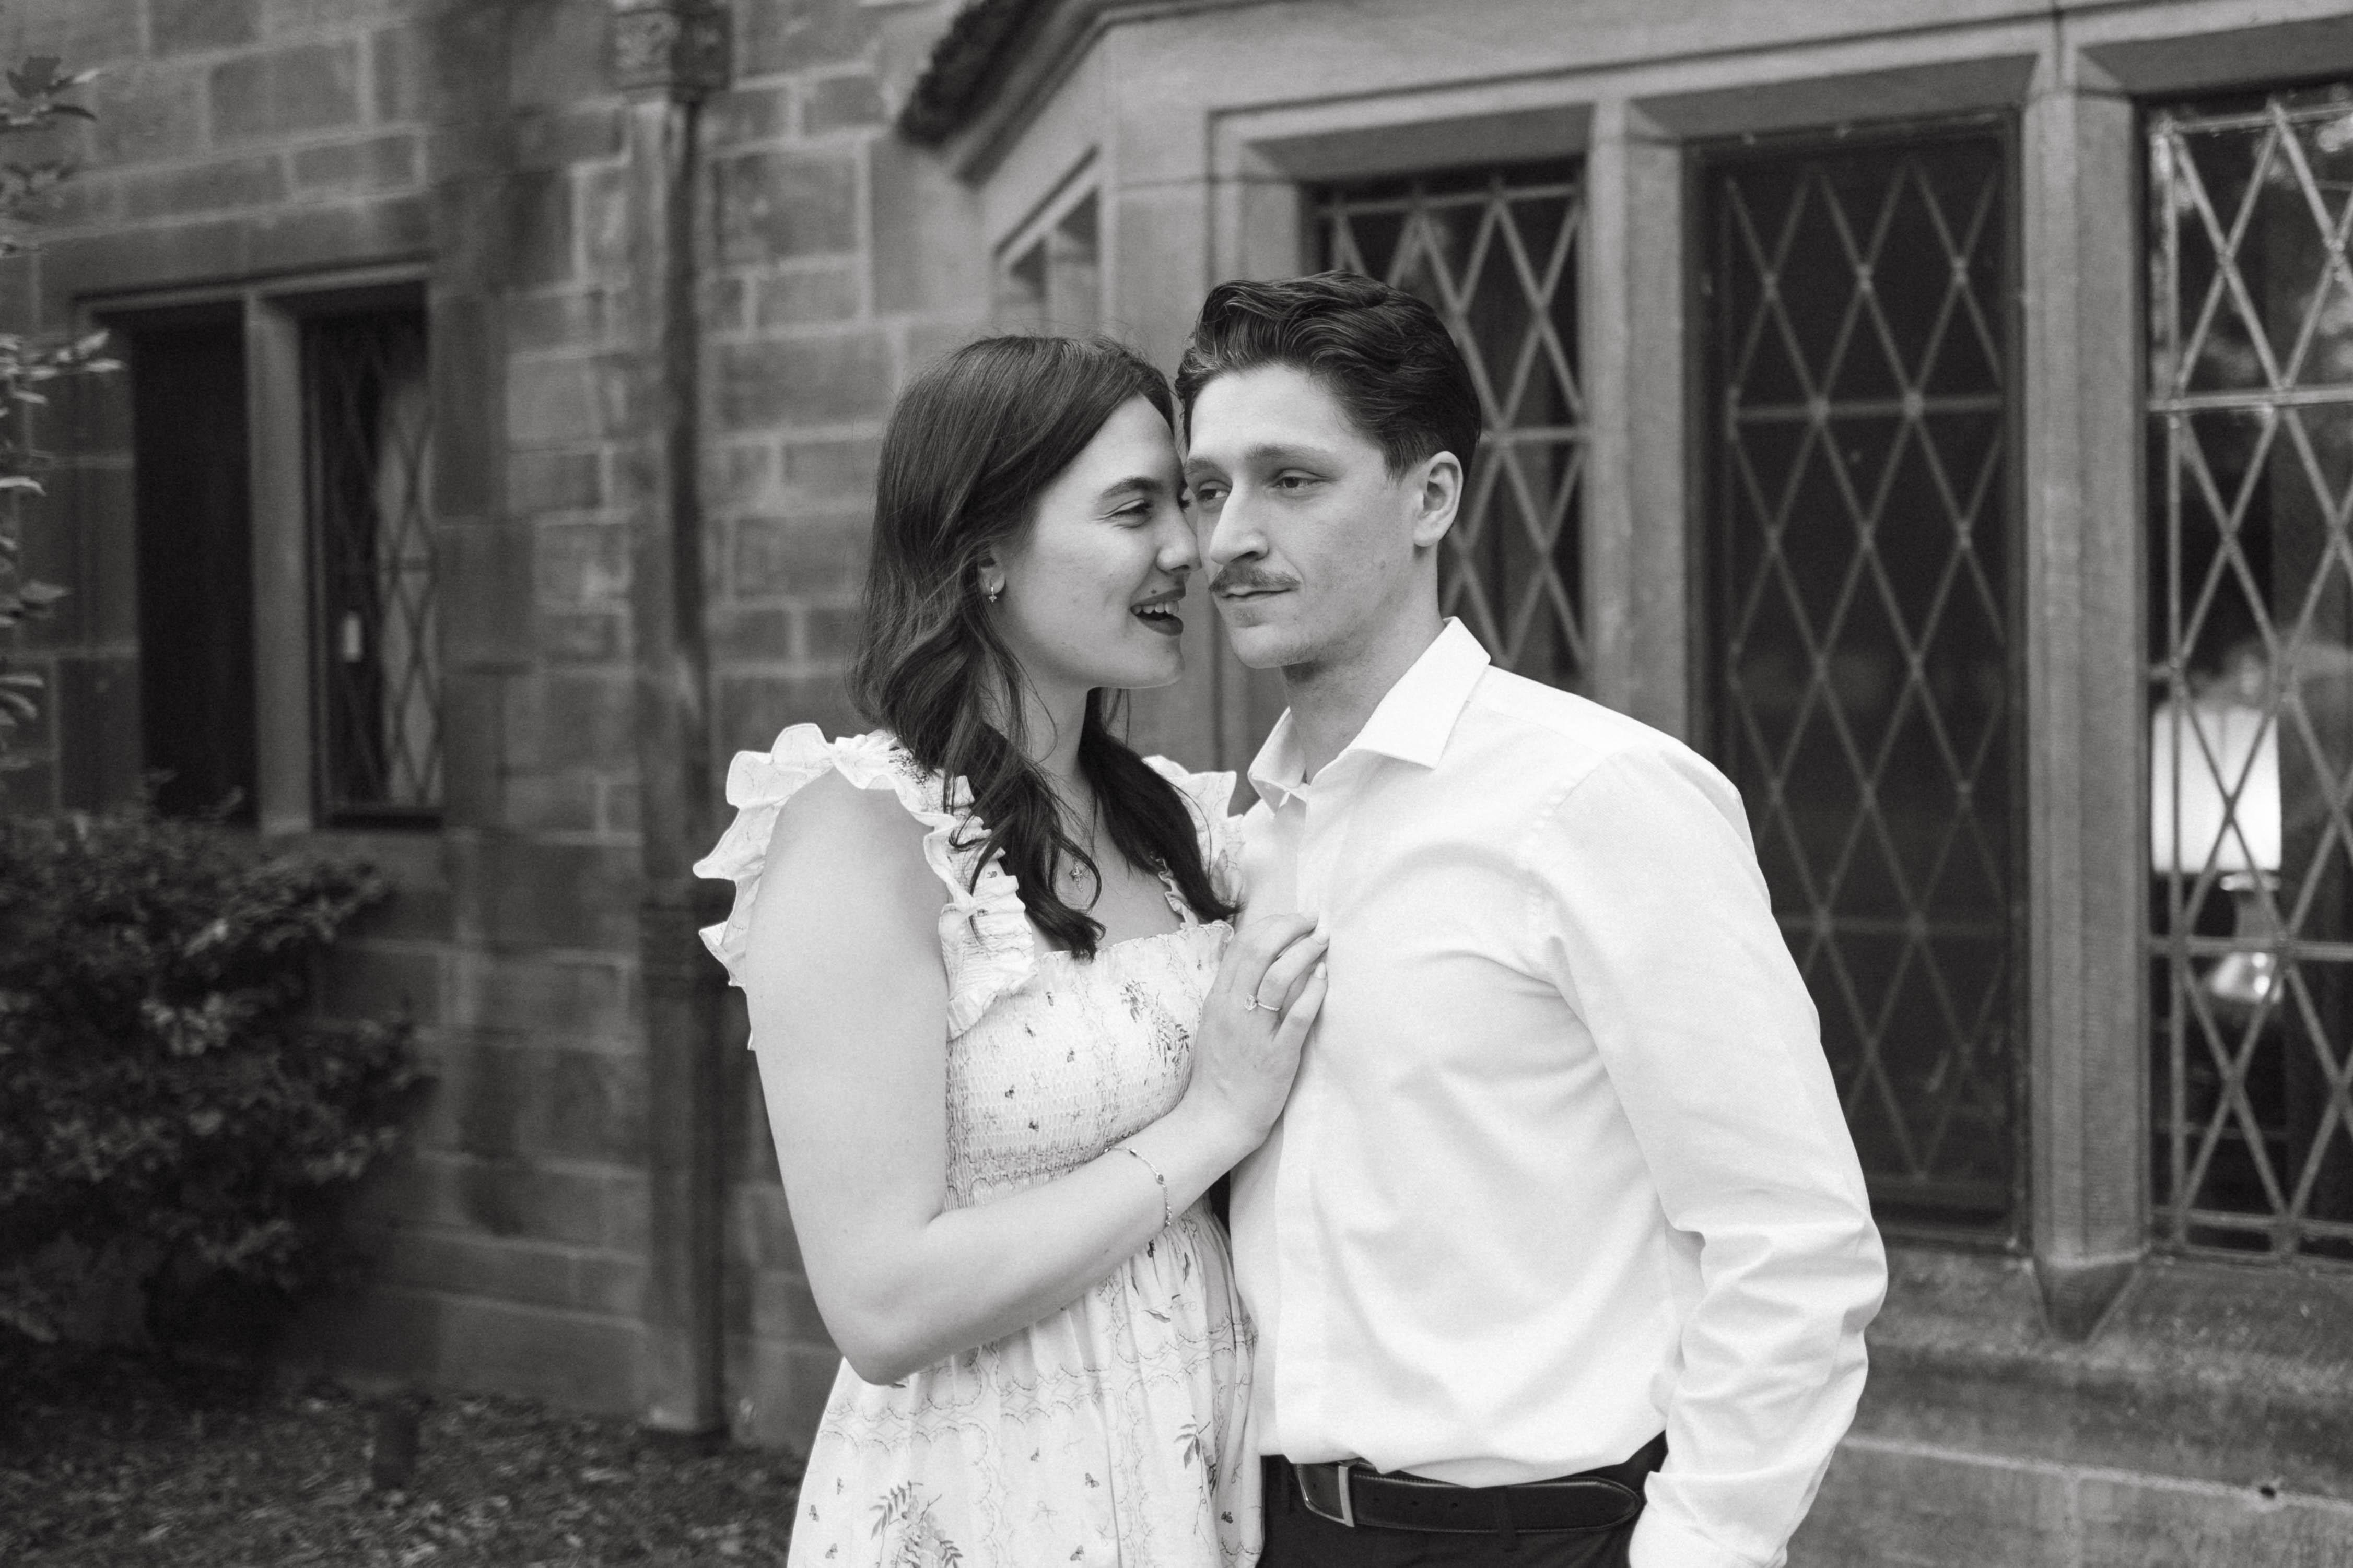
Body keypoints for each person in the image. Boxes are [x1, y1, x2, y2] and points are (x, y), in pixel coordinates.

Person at [1174, 272, 1888, 1568]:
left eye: (1291, 479)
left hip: (1537, 1535)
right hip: (1269, 1533)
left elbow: (1794, 1237)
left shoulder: (1595, 797)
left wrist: (1697, 1551)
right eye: (1205, 487)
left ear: (1432, 496)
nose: (1229, 536)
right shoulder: (1239, 836)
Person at [695, 335, 1329, 1568]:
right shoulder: (867, 836)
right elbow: (881, 1303)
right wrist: (1212, 1119)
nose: (1191, 549)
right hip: (993, 1495)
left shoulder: (1182, 823)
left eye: (1186, 502)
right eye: (1135, 509)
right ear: (983, 550)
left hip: (1199, 1466)